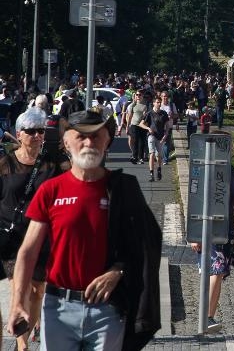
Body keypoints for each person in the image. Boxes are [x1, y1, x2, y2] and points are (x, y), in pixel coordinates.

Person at [7, 108, 162, 350]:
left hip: (108, 309)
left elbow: (147, 244)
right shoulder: (51, 190)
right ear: (66, 143)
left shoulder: (123, 189)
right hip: (58, 309)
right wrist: (18, 302)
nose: (89, 142)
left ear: (107, 141)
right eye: (80, 136)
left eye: (96, 136)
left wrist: (118, 271)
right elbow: (28, 252)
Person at [0, 109, 63, 351]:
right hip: (12, 237)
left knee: (38, 290)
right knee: (20, 287)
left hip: (41, 235)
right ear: (19, 134)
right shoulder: (5, 164)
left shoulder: (52, 163)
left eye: (41, 131)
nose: (37, 135)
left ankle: (26, 333)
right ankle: (22, 345)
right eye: (31, 131)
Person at [189, 162, 234, 333]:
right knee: (217, 271)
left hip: (227, 231)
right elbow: (194, 201)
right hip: (207, 231)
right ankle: (205, 319)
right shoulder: (202, 167)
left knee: (219, 273)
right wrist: (193, 235)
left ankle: (209, 317)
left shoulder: (231, 170)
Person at [139, 101, 171, 183]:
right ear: (153, 103)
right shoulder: (149, 113)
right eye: (157, 102)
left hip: (160, 137)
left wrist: (166, 134)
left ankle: (159, 170)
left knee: (159, 155)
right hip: (151, 135)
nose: (159, 104)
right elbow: (141, 124)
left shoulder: (163, 114)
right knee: (152, 153)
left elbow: (168, 125)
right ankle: (151, 174)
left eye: (160, 102)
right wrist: (148, 128)